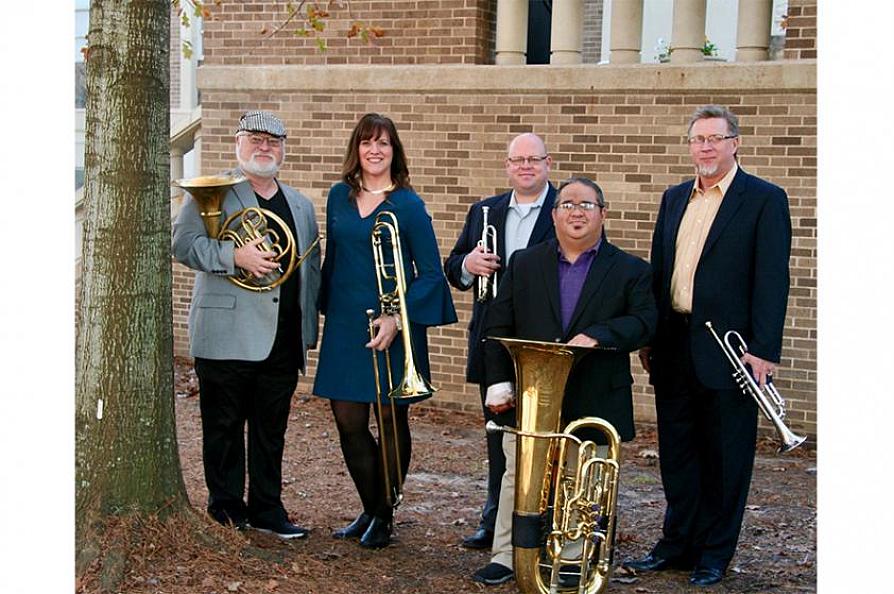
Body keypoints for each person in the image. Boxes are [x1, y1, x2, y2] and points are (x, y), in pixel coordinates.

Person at [625, 105, 791, 587]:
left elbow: (772, 280)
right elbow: (661, 269)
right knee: (678, 453)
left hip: (733, 353)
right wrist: (650, 335)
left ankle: (715, 553)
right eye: (698, 139)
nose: (706, 147)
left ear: (735, 143)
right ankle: (677, 544)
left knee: (726, 457)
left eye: (716, 138)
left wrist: (764, 348)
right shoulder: (675, 198)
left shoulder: (763, 199)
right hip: (675, 343)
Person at [471, 177, 657, 585]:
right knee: (516, 479)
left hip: (594, 397)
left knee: (580, 485)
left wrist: (600, 335)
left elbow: (646, 321)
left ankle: (571, 560)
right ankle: (507, 555)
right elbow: (497, 325)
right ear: (553, 215)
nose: (577, 212)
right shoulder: (524, 261)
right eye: (567, 204)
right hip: (530, 397)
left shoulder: (631, 270)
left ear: (603, 214)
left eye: (587, 205)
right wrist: (498, 384)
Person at [172, 110, 321, 538]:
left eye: (273, 141)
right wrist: (234, 257)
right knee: (223, 428)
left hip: (282, 338)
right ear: (238, 144)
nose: (264, 147)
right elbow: (182, 245)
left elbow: (308, 270)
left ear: (283, 150)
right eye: (255, 139)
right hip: (225, 335)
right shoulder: (213, 190)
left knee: (270, 432)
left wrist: (306, 331)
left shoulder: (300, 205)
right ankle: (226, 509)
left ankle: (268, 510)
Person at [312, 113, 457, 549]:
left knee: (391, 421)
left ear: (395, 151)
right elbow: (333, 258)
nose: (374, 150)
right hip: (345, 323)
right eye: (366, 142)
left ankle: (385, 514)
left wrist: (398, 317)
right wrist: (317, 313)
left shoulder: (409, 205)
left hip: (395, 325)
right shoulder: (339, 197)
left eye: (384, 143)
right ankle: (370, 505)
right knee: (348, 422)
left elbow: (431, 274)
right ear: (356, 149)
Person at [443, 133, 557, 550]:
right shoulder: (484, 210)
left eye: (534, 159)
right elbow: (453, 269)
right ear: (507, 166)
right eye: (517, 160)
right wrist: (469, 264)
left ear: (548, 163)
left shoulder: (565, 208)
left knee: (543, 438)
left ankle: (540, 522)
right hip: (494, 343)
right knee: (498, 433)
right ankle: (495, 520)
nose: (525, 166)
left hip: (545, 344)